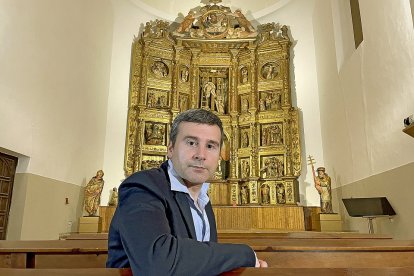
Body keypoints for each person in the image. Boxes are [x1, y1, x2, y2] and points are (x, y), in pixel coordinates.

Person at [107, 109, 267, 275]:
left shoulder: (202, 199)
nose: (201, 155)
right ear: (170, 148)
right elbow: (158, 264)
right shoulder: (143, 187)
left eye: (211, 146)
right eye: (191, 143)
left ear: (219, 155)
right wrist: (245, 254)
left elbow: (200, 264)